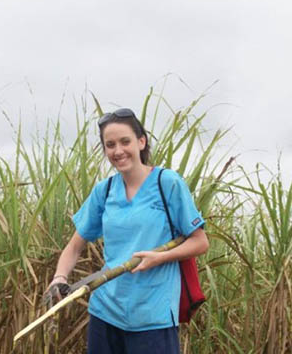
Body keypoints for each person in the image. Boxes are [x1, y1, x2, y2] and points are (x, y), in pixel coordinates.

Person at [47, 108, 209, 354]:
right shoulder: (105, 190)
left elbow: (200, 242)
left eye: (125, 141)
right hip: (105, 312)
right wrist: (59, 278)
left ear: (141, 142)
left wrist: (160, 258)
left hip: (153, 315)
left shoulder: (168, 183)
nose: (118, 151)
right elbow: (74, 246)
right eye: (110, 145)